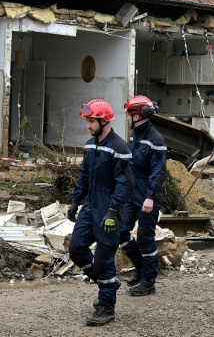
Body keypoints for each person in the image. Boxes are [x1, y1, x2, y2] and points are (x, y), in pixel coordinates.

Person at [67, 98, 134, 326]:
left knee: (104, 260)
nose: (88, 125)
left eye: (91, 121)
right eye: (87, 121)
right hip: (90, 206)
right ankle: (108, 285)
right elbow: (84, 176)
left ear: (103, 120)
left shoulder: (120, 148)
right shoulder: (89, 145)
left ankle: (107, 308)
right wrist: (76, 201)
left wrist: (113, 211)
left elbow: (125, 184)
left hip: (110, 211)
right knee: (76, 249)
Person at [119, 95, 167, 297]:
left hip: (148, 197)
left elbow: (158, 172)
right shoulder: (135, 135)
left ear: (137, 115)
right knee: (121, 232)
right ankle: (139, 267)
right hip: (131, 196)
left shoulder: (156, 140)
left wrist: (150, 197)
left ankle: (149, 281)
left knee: (145, 239)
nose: (127, 118)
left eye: (129, 114)